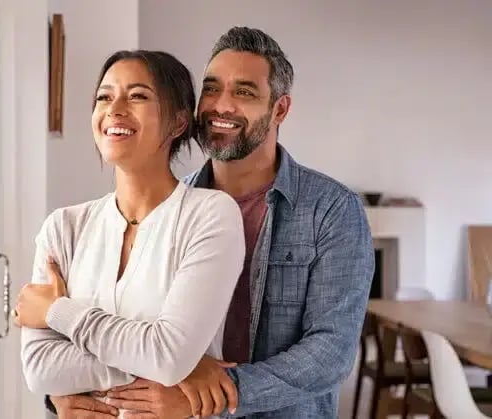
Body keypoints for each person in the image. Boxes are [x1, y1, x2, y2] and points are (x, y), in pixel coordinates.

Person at [49, 27, 375, 418]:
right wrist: (64, 391)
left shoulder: (332, 210)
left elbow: (330, 353)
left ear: (280, 110)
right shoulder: (167, 207)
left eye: (244, 92)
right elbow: (128, 330)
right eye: (211, 88)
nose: (221, 106)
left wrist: (217, 393)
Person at [14, 50, 247, 418]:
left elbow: (168, 356)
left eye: (137, 96)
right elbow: (40, 369)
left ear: (178, 122)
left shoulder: (210, 215)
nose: (115, 109)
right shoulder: (63, 227)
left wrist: (57, 311)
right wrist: (175, 363)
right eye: (104, 97)